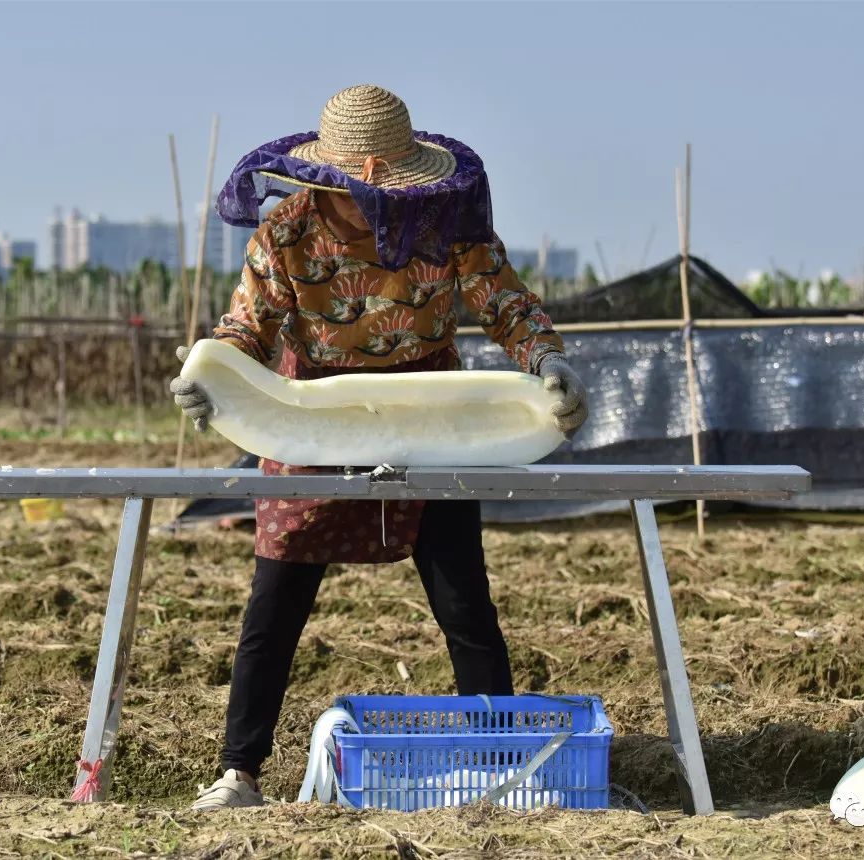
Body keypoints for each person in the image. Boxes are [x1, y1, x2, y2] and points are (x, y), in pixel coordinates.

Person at [170, 85, 588, 810]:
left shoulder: (447, 228)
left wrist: (548, 363)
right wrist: (208, 375)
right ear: (342, 174)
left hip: (431, 419)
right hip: (314, 419)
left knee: (464, 600)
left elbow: (508, 305)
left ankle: (503, 769)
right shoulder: (287, 235)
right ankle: (239, 772)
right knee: (276, 599)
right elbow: (246, 331)